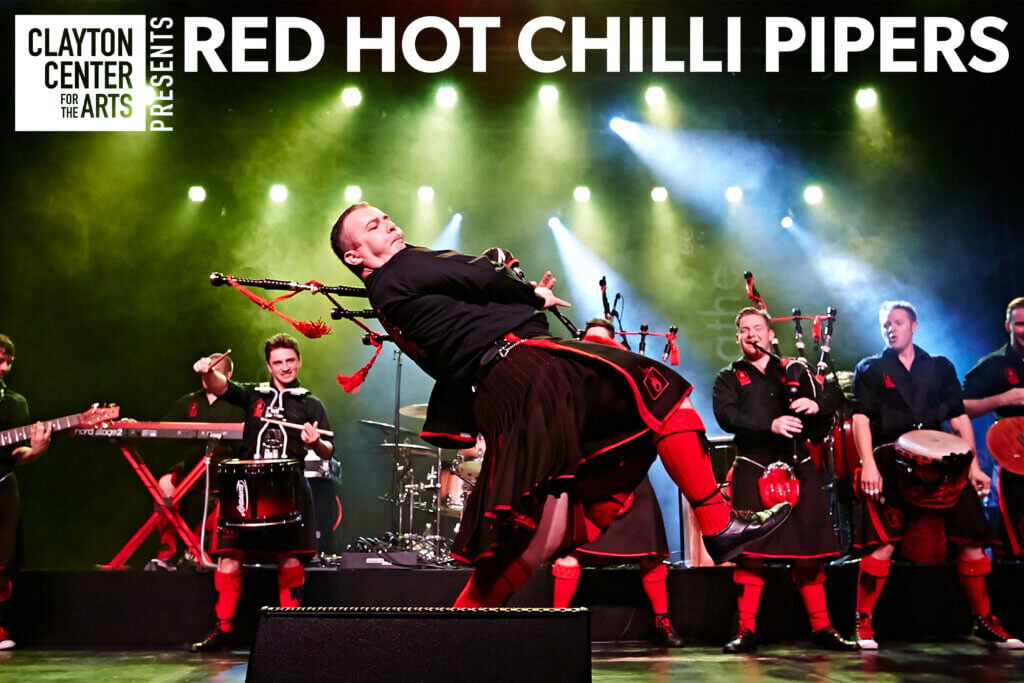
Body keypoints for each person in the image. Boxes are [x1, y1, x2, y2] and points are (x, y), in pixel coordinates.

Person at [330, 203, 790, 609]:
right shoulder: (404, 266)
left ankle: (452, 639)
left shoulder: (387, 298)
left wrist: (521, 295)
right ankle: (718, 523)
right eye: (373, 226)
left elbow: (463, 314)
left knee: (540, 539)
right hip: (528, 367)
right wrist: (527, 291)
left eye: (386, 218)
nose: (390, 225)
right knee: (660, 390)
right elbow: (479, 274)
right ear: (354, 256)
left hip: (500, 392)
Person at [851, 301, 1021, 649]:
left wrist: (973, 466)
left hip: (945, 463)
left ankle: (984, 619)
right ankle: (863, 622)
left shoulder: (939, 367)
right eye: (886, 324)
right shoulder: (870, 368)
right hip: (891, 461)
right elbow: (861, 419)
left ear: (913, 326)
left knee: (972, 541)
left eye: (898, 322)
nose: (891, 329)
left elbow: (958, 418)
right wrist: (867, 463)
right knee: (882, 542)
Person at [712, 308, 856, 653]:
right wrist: (771, 424)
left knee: (809, 549)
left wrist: (815, 404)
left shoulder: (794, 369)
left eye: (757, 328)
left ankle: (822, 627)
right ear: (738, 337)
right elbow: (726, 415)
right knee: (751, 552)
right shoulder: (729, 377)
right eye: (744, 330)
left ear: (771, 335)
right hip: (752, 464)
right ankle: (746, 630)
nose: (752, 334)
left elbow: (835, 395)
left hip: (797, 463)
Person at [189, 334, 334, 652]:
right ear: (269, 366)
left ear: (299, 361)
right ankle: (223, 630)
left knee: (289, 558)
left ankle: (291, 631)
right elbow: (220, 386)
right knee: (230, 557)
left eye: (290, 361)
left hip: (289, 487)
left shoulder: (311, 404)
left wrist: (315, 442)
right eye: (278, 362)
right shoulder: (254, 395)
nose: (285, 367)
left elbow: (327, 450)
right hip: (245, 488)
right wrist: (206, 371)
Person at [550, 319, 682, 647]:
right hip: (586, 474)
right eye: (589, 341)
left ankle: (663, 623)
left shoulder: (629, 378)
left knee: (652, 555)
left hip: (630, 474)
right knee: (569, 553)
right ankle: (555, 627)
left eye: (603, 342)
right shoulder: (568, 377)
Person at [145, 353, 246, 571]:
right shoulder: (188, 401)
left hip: (224, 478)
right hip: (190, 474)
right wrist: (134, 428)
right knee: (165, 484)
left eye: (214, 372)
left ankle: (199, 548)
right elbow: (161, 431)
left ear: (227, 376)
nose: (207, 376)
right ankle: (168, 551)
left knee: (236, 493)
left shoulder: (239, 405)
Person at [0, 334, 52, 650]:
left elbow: (16, 453)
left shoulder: (15, 403)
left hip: (1, 484)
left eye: (9, 362)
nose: (5, 368)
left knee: (2, 562)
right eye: (0, 361)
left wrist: (35, 451)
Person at [962, 297, 1024, 556]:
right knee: (1013, 537)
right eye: (1020, 324)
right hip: (1013, 459)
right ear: (1008, 326)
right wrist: (1004, 399)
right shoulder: (993, 364)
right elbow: (962, 406)